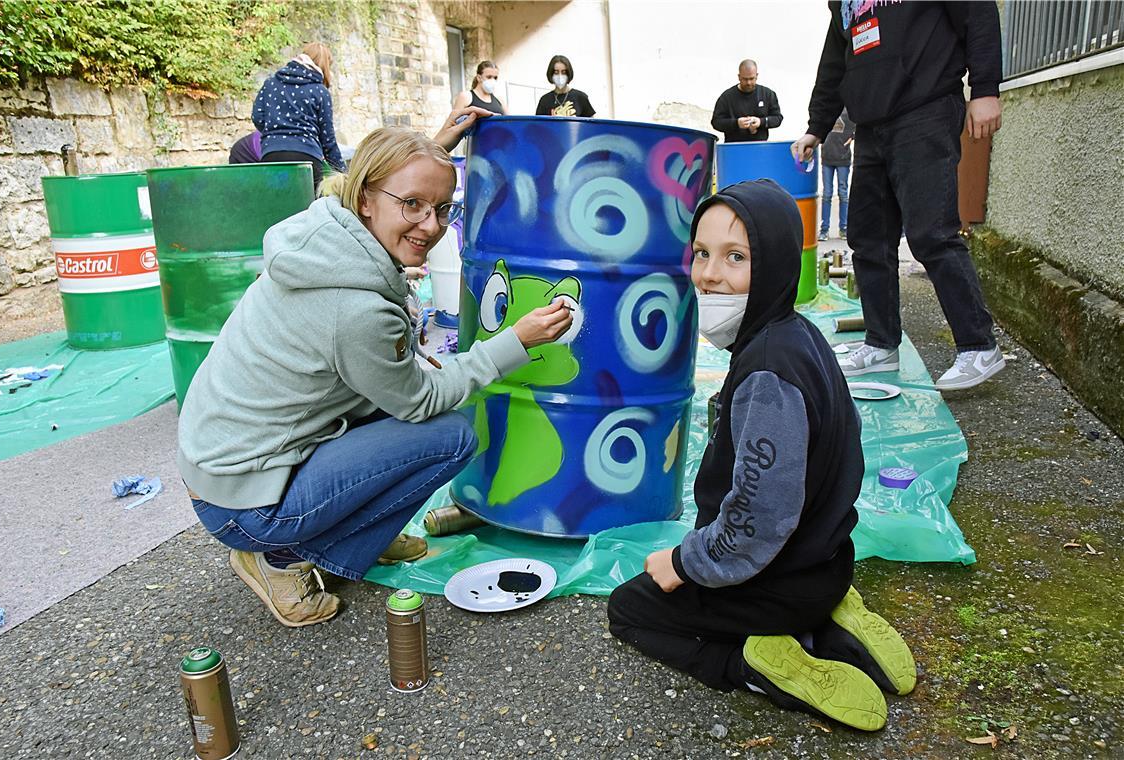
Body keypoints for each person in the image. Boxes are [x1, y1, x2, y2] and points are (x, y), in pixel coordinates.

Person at [178, 108, 570, 628]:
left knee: (389, 402)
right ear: (366, 198)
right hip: (245, 505)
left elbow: (388, 192)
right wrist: (513, 342)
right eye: (413, 204)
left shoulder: (325, 234)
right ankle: (281, 556)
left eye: (442, 208)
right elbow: (421, 401)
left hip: (223, 467)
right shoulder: (356, 309)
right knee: (449, 435)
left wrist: (427, 155)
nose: (431, 226)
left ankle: (348, 532)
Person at [607, 180, 916, 732]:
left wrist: (681, 564)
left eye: (736, 257)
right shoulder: (797, 335)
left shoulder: (767, 374)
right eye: (701, 253)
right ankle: (829, 619)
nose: (708, 274)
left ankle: (754, 664)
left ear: (772, 263)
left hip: (771, 582)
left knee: (629, 610)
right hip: (824, 563)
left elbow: (755, 521)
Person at [791, 1, 1005, 391]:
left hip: (926, 107)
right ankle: (881, 345)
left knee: (931, 234)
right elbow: (835, 63)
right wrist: (816, 127)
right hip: (871, 125)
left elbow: (977, 12)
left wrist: (986, 89)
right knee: (868, 240)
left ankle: (978, 345)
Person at [252, 42, 346, 190]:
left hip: (272, 154)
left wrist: (275, 133)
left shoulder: (270, 83)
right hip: (307, 157)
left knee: (275, 207)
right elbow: (328, 140)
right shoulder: (320, 91)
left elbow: (257, 116)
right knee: (307, 209)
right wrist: (343, 172)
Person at [710, 59, 783, 143]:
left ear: (757, 76)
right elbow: (716, 122)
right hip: (733, 147)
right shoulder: (726, 97)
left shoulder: (768, 94)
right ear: (739, 77)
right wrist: (736, 123)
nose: (748, 82)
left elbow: (778, 118)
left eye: (752, 78)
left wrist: (760, 122)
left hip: (760, 146)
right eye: (745, 79)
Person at [819, 109, 854, 240]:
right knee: (827, 194)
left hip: (843, 158)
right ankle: (824, 229)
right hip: (827, 157)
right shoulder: (827, 109)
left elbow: (860, 126)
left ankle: (844, 228)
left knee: (843, 194)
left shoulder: (849, 111)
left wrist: (852, 138)